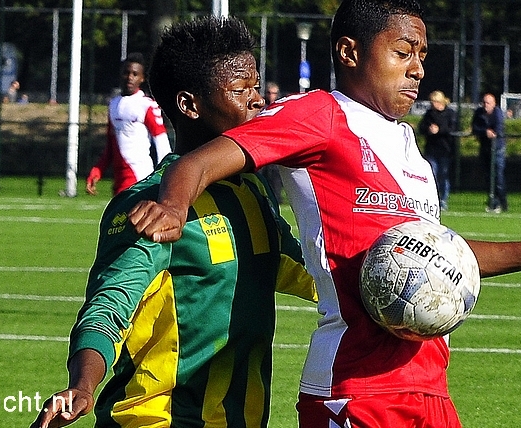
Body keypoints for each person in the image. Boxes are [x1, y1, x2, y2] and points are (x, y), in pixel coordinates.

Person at [127, 1, 521, 426]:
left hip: (429, 381)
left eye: (422, 56)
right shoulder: (318, 115)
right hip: (354, 386)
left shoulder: (408, 148)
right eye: (403, 53)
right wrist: (172, 204)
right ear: (350, 52)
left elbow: (443, 259)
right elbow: (199, 160)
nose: (417, 69)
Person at [30, 16, 316, 428]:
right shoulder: (150, 204)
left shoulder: (251, 187)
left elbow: (301, 267)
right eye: (240, 90)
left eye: (257, 86)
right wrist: (83, 385)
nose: (257, 101)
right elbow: (110, 304)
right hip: (156, 419)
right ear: (190, 105)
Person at [85, 53, 172, 196]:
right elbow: (110, 147)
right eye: (126, 72)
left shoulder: (146, 105)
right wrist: (97, 171)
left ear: (142, 78)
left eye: (135, 74)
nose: (130, 77)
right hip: (119, 178)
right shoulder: (114, 104)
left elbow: (162, 143)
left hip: (139, 176)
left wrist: (165, 175)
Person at [419, 90, 457, 210]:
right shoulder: (429, 114)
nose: (432, 104)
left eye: (434, 102)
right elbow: (422, 127)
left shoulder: (450, 113)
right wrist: (429, 129)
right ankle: (432, 199)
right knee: (432, 175)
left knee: (443, 175)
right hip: (432, 149)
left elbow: (453, 128)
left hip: (445, 149)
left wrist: (439, 130)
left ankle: (443, 199)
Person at [472, 92, 508, 213]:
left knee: (498, 177)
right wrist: (485, 132)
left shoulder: (498, 114)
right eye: (484, 102)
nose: (485, 105)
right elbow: (475, 128)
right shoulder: (479, 113)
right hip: (485, 148)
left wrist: (492, 134)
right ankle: (493, 202)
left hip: (497, 149)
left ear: (494, 104)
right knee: (488, 177)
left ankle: (502, 202)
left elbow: (498, 129)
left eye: (488, 103)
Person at [258, 81, 285, 203]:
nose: (271, 96)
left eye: (274, 93)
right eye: (269, 93)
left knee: (275, 176)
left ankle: (276, 199)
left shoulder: (280, 108)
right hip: (261, 147)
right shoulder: (260, 107)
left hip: (276, 148)